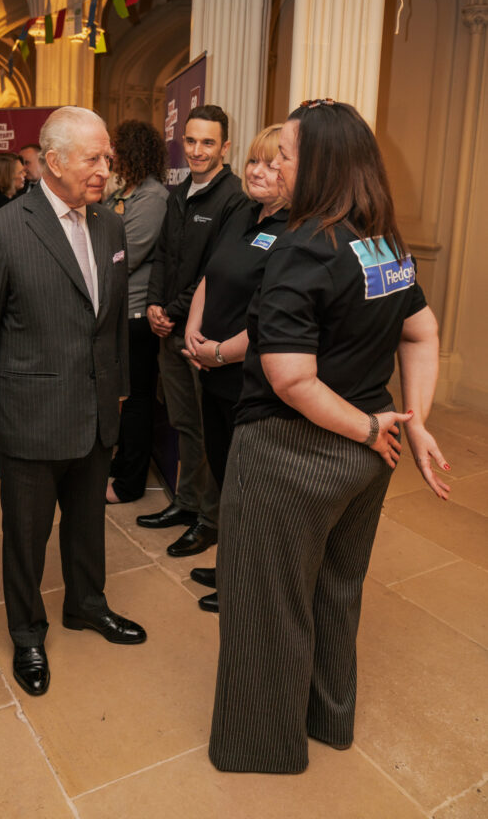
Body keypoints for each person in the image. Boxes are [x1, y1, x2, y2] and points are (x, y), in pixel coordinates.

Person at [209, 99, 450, 775]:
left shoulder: (303, 243)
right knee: (334, 592)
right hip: (365, 460)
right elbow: (420, 330)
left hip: (294, 453)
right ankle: (327, 721)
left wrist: (369, 425)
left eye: (285, 153)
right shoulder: (380, 240)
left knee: (266, 605)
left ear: (319, 163)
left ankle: (263, 747)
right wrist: (411, 421)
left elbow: (289, 379)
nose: (274, 164)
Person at [0, 106, 146, 700]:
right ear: (56, 161)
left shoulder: (110, 226)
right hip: (30, 417)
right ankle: (27, 630)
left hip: (95, 410)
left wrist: (115, 385)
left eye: (107, 157)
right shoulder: (4, 230)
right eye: (93, 158)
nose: (104, 168)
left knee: (88, 523)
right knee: (27, 532)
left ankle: (87, 604)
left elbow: (111, 318)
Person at [183, 125, 289, 611]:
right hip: (212, 369)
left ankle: (244, 588)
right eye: (253, 162)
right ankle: (232, 566)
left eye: (271, 163)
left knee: (251, 493)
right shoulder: (243, 212)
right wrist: (193, 325)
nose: (258, 172)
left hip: (249, 378)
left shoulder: (293, 233)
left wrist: (220, 352)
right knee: (226, 477)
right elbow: (211, 273)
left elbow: (271, 321)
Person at [138, 105, 247, 557]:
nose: (198, 150)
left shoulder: (234, 198)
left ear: (225, 147)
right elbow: (164, 256)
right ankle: (186, 502)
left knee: (207, 428)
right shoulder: (178, 192)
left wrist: (175, 312)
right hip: (170, 327)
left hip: (203, 335)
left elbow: (212, 271)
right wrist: (154, 306)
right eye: (191, 140)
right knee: (184, 422)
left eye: (208, 142)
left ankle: (210, 517)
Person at [105, 119, 169, 504]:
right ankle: (123, 462)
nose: (110, 157)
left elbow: (123, 256)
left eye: (115, 150)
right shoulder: (125, 192)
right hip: (117, 311)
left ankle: (130, 482)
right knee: (122, 399)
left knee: (137, 399)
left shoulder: (153, 197)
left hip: (136, 315)